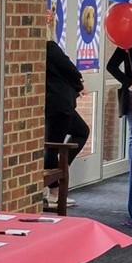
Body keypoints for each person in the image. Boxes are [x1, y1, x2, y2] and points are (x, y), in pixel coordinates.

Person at [44, 40, 90, 208]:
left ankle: (62, 166)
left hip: (59, 101)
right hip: (58, 103)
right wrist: (80, 83)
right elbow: (68, 67)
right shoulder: (49, 46)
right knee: (52, 146)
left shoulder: (46, 48)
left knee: (82, 131)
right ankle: (54, 193)